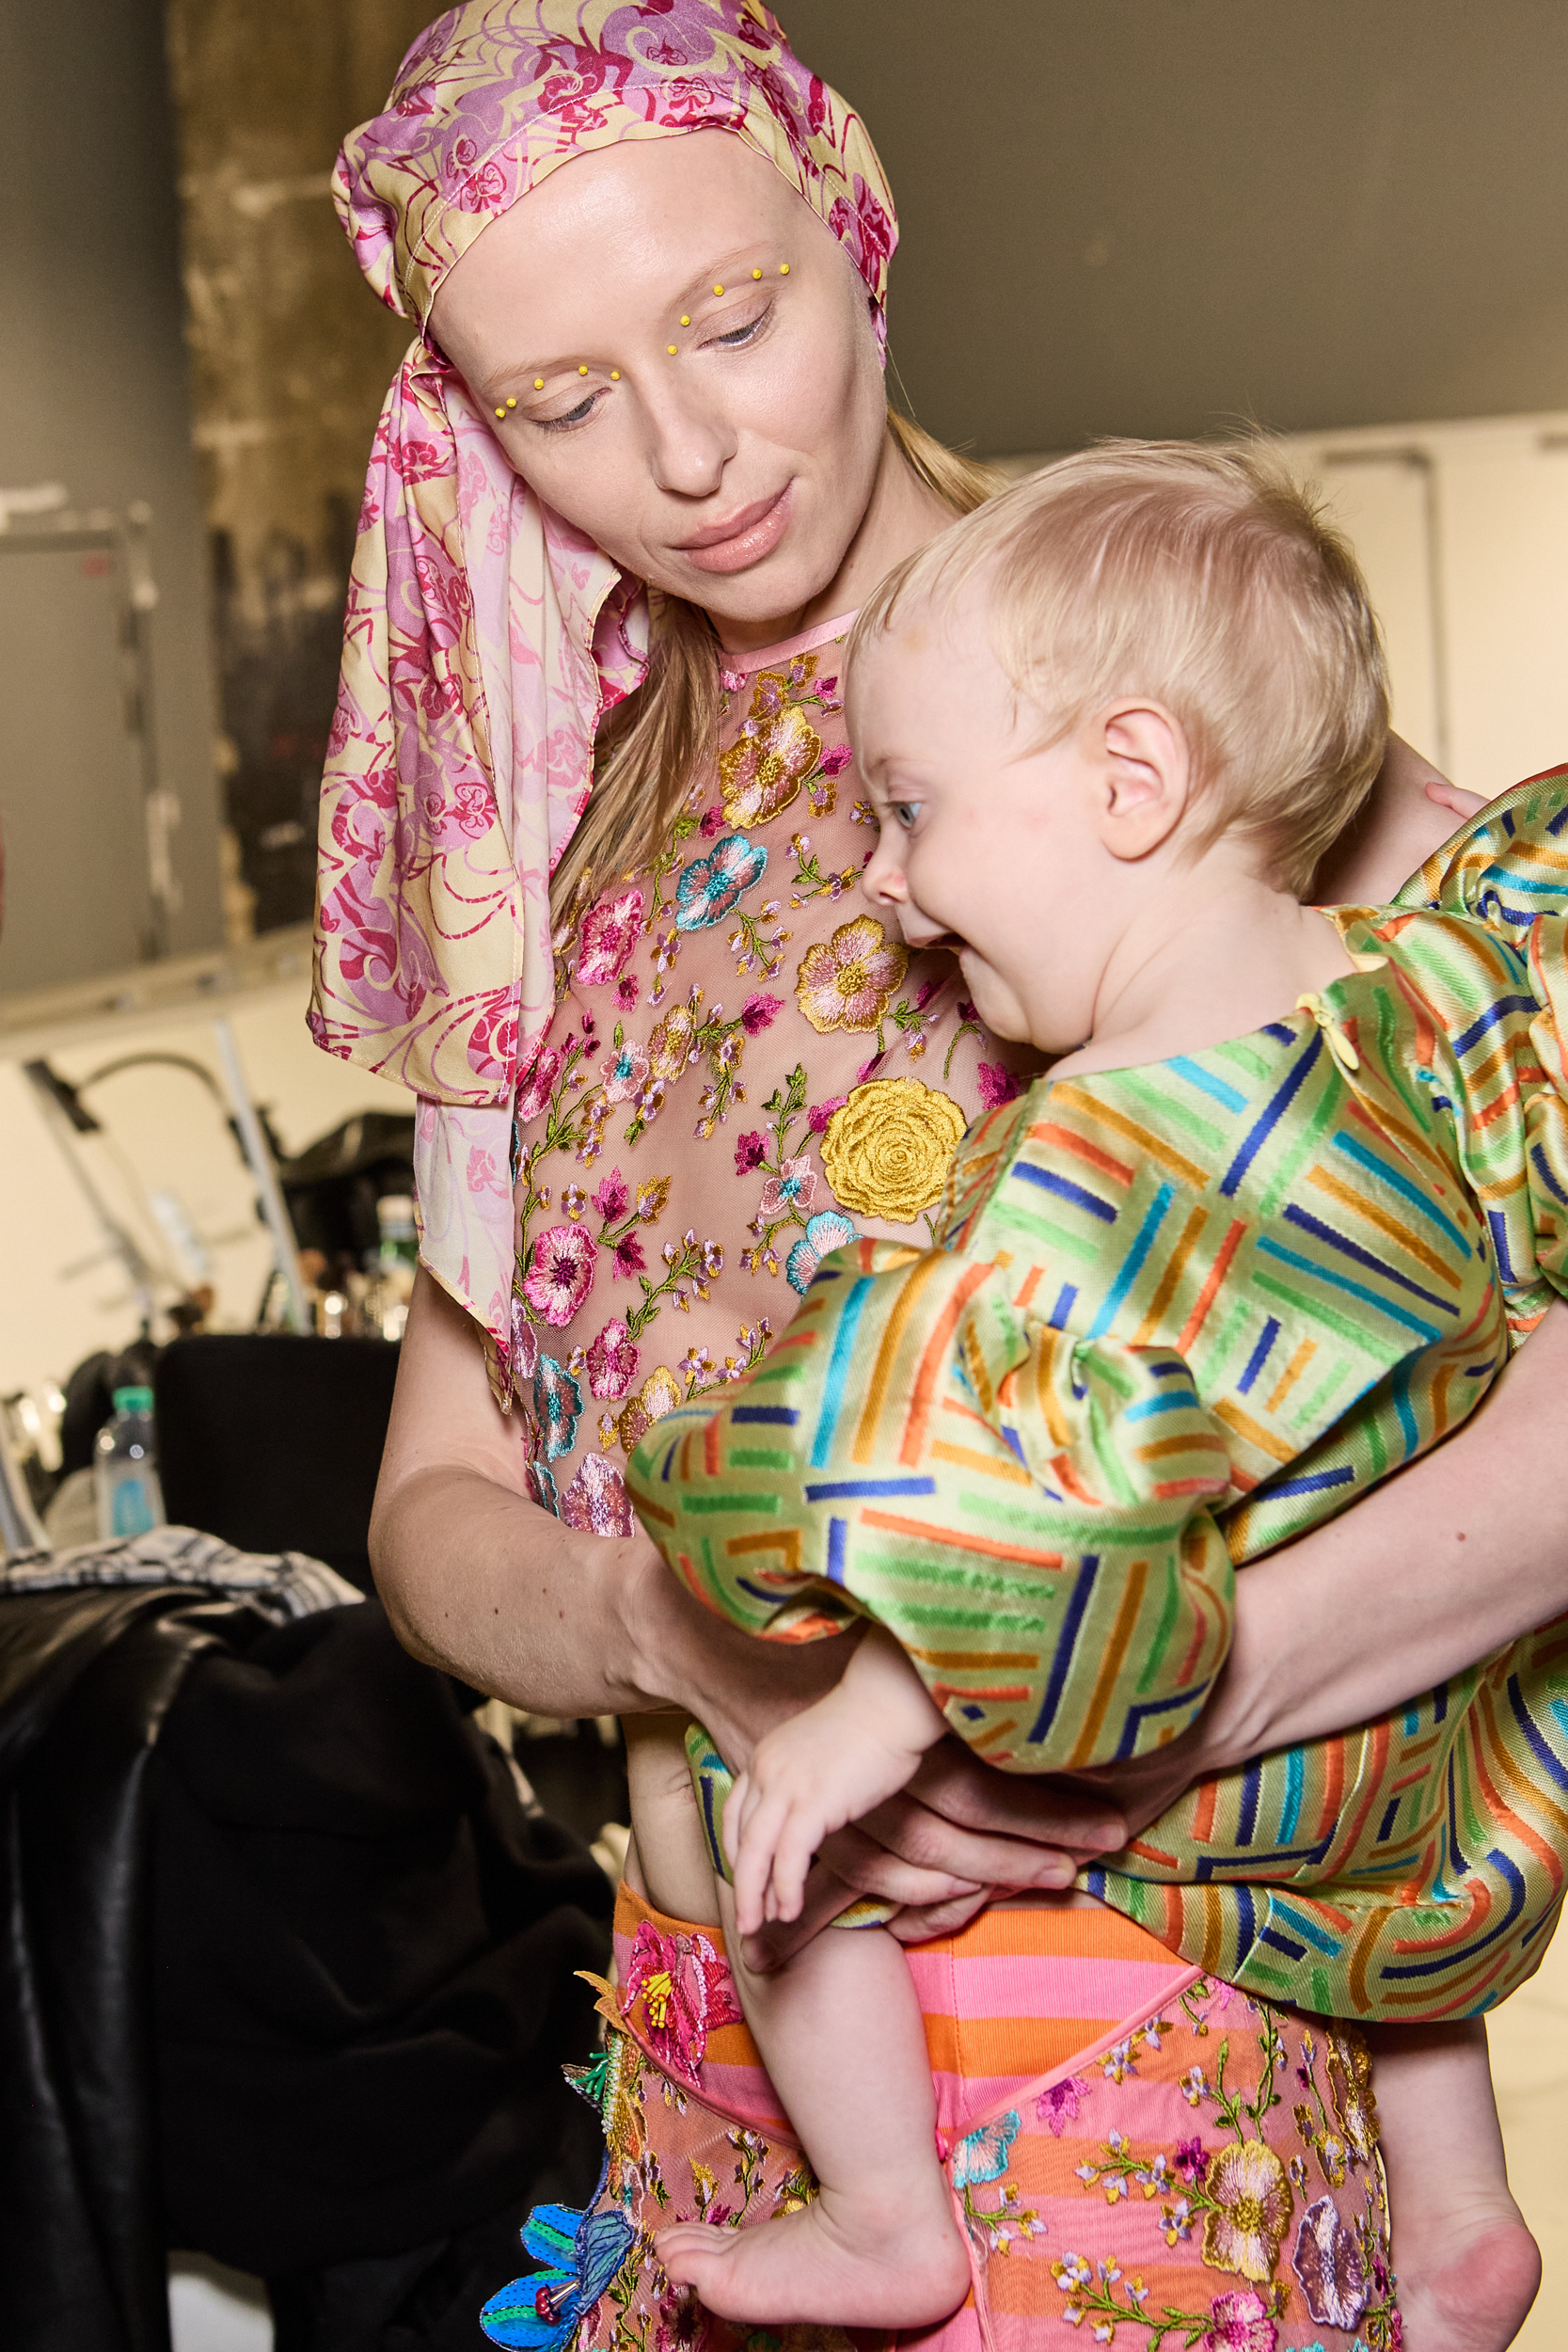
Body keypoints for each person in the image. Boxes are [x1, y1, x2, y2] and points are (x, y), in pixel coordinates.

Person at [318, 8, 1559, 2348]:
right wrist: (668, 1637)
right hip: (713, 2041)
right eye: (562, 404)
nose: (687, 457)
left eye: (733, 319)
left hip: (1149, 2049)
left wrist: (1135, 1697)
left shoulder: (1134, 687)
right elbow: (435, 1498)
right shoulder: (546, 837)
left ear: (855, 227)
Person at [631, 439, 1568, 2344]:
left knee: (775, 1806)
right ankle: (1460, 2201)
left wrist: (869, 1713)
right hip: (1433, 1780)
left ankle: (882, 2206)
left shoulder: (1092, 1169)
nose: (885, 889)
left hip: (1219, 1772)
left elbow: (1029, 1526)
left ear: (1130, 783)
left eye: (906, 810)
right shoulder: (1406, 1002)